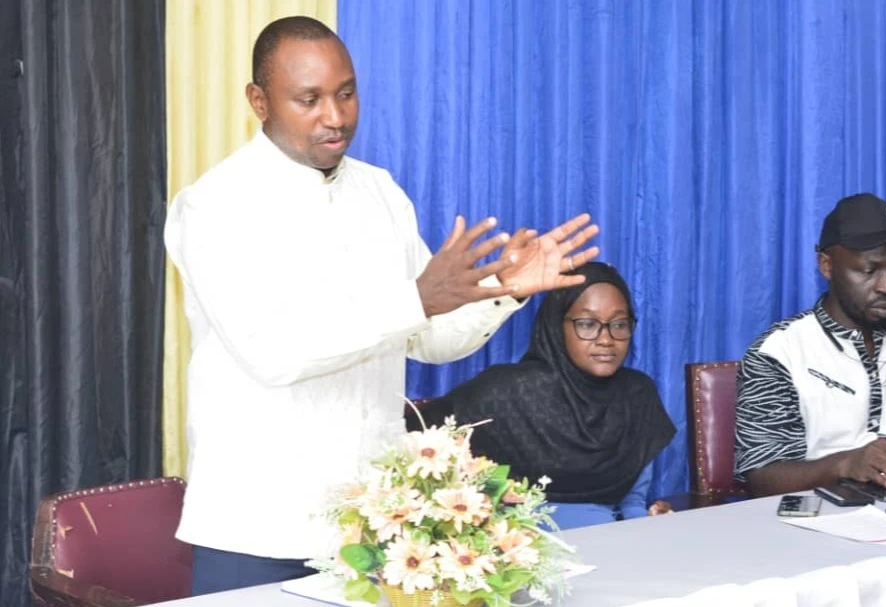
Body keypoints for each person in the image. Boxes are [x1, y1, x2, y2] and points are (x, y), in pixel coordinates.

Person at [163, 16, 599, 595]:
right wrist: (415, 298)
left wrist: (504, 289)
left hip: (376, 527)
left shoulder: (380, 192)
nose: (336, 116)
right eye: (309, 99)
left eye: (346, 93)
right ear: (258, 100)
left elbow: (431, 339)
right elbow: (273, 354)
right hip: (260, 528)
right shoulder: (215, 206)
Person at [734, 193, 886, 498]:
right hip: (816, 522)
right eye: (869, 271)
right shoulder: (779, 352)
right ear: (826, 265)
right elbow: (762, 476)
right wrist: (845, 464)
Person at [428, 262, 676, 529]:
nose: (606, 339)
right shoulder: (506, 391)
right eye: (587, 324)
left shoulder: (637, 394)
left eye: (619, 324)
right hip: (518, 551)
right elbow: (417, 445)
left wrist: (652, 523)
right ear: (557, 326)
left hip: (610, 544)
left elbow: (632, 504)